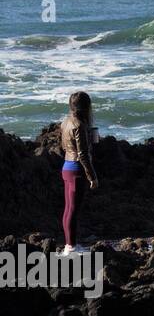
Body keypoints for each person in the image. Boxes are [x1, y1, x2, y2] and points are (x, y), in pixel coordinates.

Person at [59, 91, 99, 255]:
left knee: (68, 208)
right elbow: (82, 154)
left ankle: (69, 245)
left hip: (66, 167)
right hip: (77, 170)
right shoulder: (79, 126)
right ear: (86, 107)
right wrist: (92, 177)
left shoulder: (65, 122)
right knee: (73, 210)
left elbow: (63, 146)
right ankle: (71, 247)